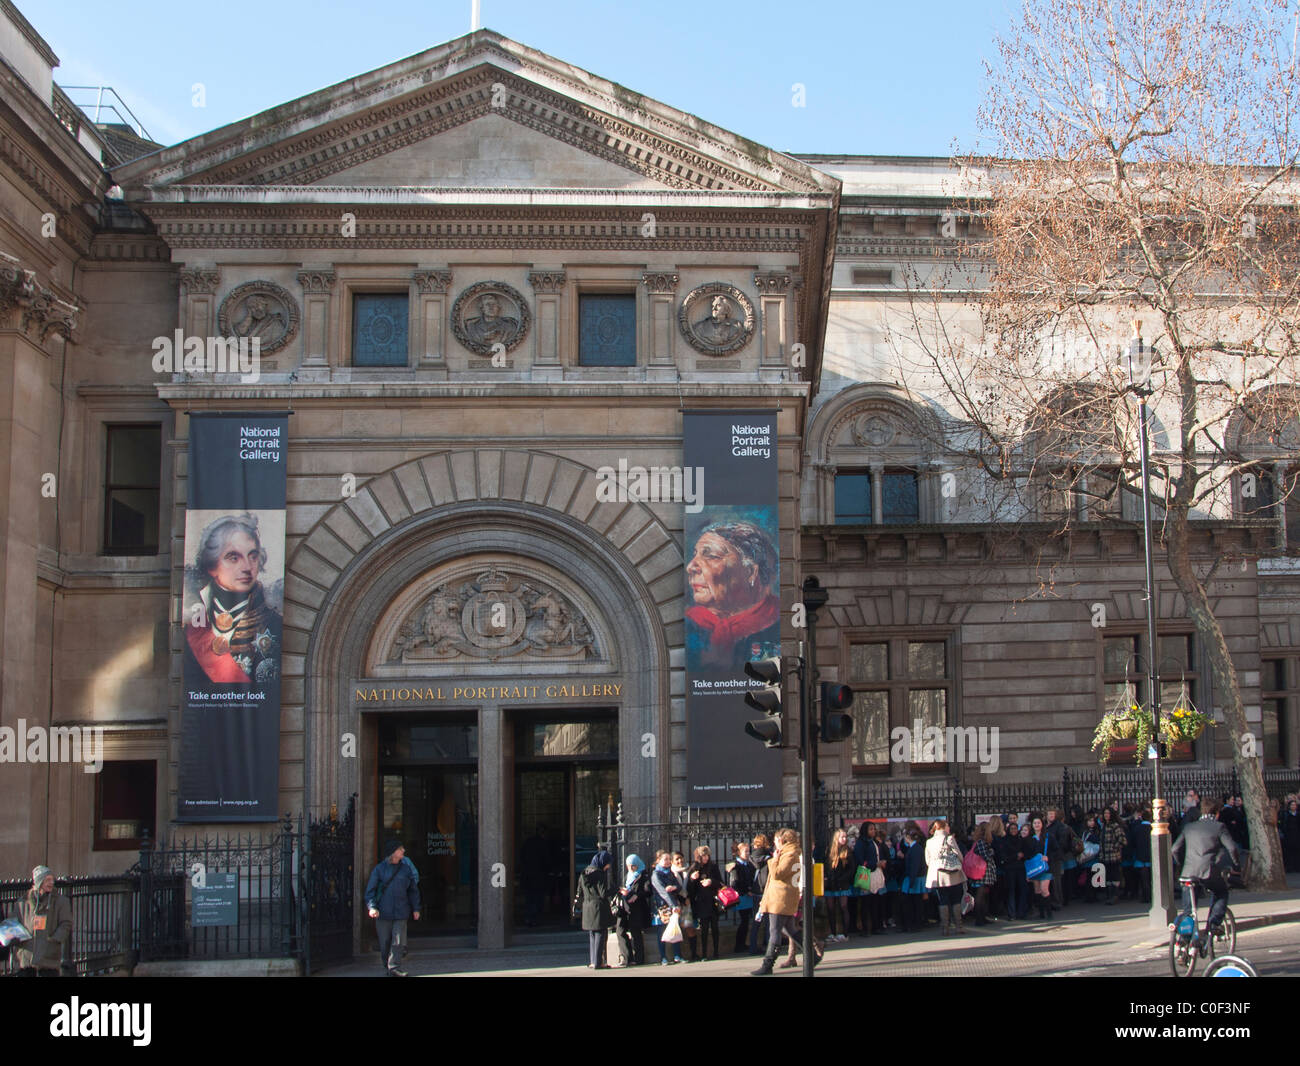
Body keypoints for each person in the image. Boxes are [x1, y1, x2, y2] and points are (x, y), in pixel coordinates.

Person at [184, 513, 282, 686]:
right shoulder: (193, 625)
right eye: (234, 558)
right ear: (211, 565)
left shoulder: (273, 623)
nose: (247, 567)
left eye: (253, 556)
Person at [684, 522, 781, 670]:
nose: (690, 567)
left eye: (711, 556)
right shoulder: (690, 623)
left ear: (749, 572)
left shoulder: (778, 624)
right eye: (695, 555)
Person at [1171, 797, 1241, 936]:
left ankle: (1185, 942)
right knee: (1221, 892)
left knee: (1188, 911)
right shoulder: (1218, 826)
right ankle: (1214, 924)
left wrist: (1182, 864)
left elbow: (1174, 849)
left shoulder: (1189, 827)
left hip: (1188, 872)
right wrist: (1236, 865)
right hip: (1208, 872)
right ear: (1217, 813)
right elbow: (1232, 848)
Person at [751, 828, 806, 975]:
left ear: (782, 841)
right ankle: (812, 953)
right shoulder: (790, 853)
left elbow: (777, 874)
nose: (774, 844)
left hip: (781, 897)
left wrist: (774, 859)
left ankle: (767, 964)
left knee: (774, 931)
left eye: (776, 840)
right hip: (781, 896)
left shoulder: (789, 854)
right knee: (789, 929)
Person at [364, 839, 420, 977]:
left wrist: (416, 908)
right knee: (385, 943)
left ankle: (395, 967)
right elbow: (370, 890)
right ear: (393, 852)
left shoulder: (406, 869)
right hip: (383, 912)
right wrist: (372, 907)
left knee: (398, 940)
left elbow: (413, 890)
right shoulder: (379, 869)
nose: (403, 851)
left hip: (401, 911)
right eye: (401, 849)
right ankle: (388, 967)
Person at [14, 865, 73, 977]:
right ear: (39, 882)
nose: (51, 883)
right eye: (47, 880)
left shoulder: (61, 902)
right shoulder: (23, 903)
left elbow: (66, 923)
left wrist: (55, 938)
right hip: (27, 959)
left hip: (49, 958)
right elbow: (14, 922)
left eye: (52, 879)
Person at [924, 818, 967, 935]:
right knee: (956, 900)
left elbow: (928, 861)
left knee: (943, 900)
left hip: (939, 876)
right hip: (953, 874)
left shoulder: (929, 842)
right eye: (947, 826)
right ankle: (959, 926)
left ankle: (945, 927)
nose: (949, 828)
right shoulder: (949, 838)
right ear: (943, 827)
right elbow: (959, 855)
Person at [686, 844, 724, 961]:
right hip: (701, 902)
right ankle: (704, 953)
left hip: (713, 900)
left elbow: (721, 882)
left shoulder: (713, 866)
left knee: (715, 927)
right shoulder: (694, 867)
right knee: (704, 928)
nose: (706, 858)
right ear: (699, 856)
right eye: (703, 856)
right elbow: (689, 889)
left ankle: (716, 952)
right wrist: (692, 879)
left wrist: (711, 881)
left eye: (707, 855)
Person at [578, 847, 614, 969]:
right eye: (608, 864)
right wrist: (616, 889)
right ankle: (599, 962)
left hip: (587, 906)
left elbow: (580, 891)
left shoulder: (585, 872)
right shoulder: (600, 874)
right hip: (598, 907)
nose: (608, 867)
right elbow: (603, 893)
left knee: (592, 934)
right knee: (600, 933)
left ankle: (594, 961)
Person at [615, 854, 651, 966]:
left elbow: (648, 891)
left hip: (637, 908)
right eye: (628, 866)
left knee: (636, 933)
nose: (631, 868)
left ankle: (639, 959)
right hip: (624, 907)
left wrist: (636, 895)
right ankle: (627, 957)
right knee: (620, 930)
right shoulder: (628, 875)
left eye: (633, 866)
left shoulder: (643, 875)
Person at [650, 850, 685, 966]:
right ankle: (663, 957)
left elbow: (679, 887)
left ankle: (677, 955)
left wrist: (673, 887)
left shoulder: (670, 873)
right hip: (661, 906)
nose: (668, 862)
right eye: (665, 859)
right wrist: (673, 905)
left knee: (675, 929)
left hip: (672, 904)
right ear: (658, 861)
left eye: (669, 859)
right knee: (662, 931)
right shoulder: (656, 875)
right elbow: (662, 892)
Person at [823, 828, 854, 941]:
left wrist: (842, 879)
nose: (844, 839)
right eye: (842, 837)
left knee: (843, 907)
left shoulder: (848, 852)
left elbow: (851, 869)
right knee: (830, 909)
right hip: (831, 884)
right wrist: (827, 878)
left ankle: (845, 933)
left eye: (845, 837)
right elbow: (826, 866)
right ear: (837, 838)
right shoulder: (829, 851)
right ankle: (833, 933)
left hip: (842, 883)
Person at [729, 841, 757, 954]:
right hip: (742, 896)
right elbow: (735, 882)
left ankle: (742, 943)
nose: (747, 853)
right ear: (739, 852)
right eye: (745, 851)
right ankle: (738, 945)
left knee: (746, 921)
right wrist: (746, 891)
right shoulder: (736, 865)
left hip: (749, 895)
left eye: (748, 851)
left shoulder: (749, 864)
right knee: (744, 920)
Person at [971, 820, 1000, 926]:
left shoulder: (980, 841)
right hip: (982, 872)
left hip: (982, 872)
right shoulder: (982, 842)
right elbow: (986, 856)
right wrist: (992, 851)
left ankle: (982, 917)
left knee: (983, 896)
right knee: (980, 895)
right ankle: (979, 918)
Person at [997, 819, 1027, 920]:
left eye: (1015, 828)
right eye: (1012, 828)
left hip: (1020, 868)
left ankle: (1021, 912)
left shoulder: (1021, 840)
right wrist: (1015, 856)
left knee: (1022, 890)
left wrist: (1022, 855)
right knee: (1011, 891)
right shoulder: (1005, 841)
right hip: (1010, 869)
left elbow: (1026, 853)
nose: (1013, 830)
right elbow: (1003, 857)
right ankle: (1012, 913)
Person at [1026, 816, 1054, 920]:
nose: (1037, 825)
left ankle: (1049, 912)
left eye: (1038, 823)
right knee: (1037, 890)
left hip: (1045, 867)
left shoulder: (1048, 837)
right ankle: (1041, 912)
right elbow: (1027, 855)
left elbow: (1056, 850)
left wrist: (1049, 857)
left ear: (1042, 824)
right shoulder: (1030, 838)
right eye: (1035, 823)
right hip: (1034, 867)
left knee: (1044, 889)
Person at [900, 828, 928, 931]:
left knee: (913, 903)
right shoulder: (916, 848)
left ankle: (914, 924)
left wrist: (911, 881)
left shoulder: (915, 848)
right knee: (916, 902)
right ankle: (916, 923)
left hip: (914, 879)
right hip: (915, 879)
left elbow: (914, 866)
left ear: (908, 837)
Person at [749, 833, 772, 954]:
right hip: (764, 890)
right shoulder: (767, 855)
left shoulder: (753, 856)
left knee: (757, 919)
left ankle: (754, 945)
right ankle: (767, 944)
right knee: (767, 919)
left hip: (757, 890)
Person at [1100, 807, 1125, 905]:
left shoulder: (1115, 826)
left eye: (1108, 813)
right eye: (1105, 813)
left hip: (1113, 856)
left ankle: (1114, 895)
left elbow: (1122, 840)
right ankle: (1109, 895)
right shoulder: (1104, 826)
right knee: (1108, 876)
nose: (1106, 815)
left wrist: (1114, 848)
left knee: (1114, 875)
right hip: (1105, 856)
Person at [1281, 798, 1300, 873]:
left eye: (1294, 805)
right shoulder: (1286, 814)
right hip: (1289, 835)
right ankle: (1290, 867)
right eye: (1292, 805)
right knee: (1289, 852)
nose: (1293, 806)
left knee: (1297, 852)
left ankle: (1297, 866)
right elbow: (1283, 824)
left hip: (1297, 835)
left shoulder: (1298, 814)